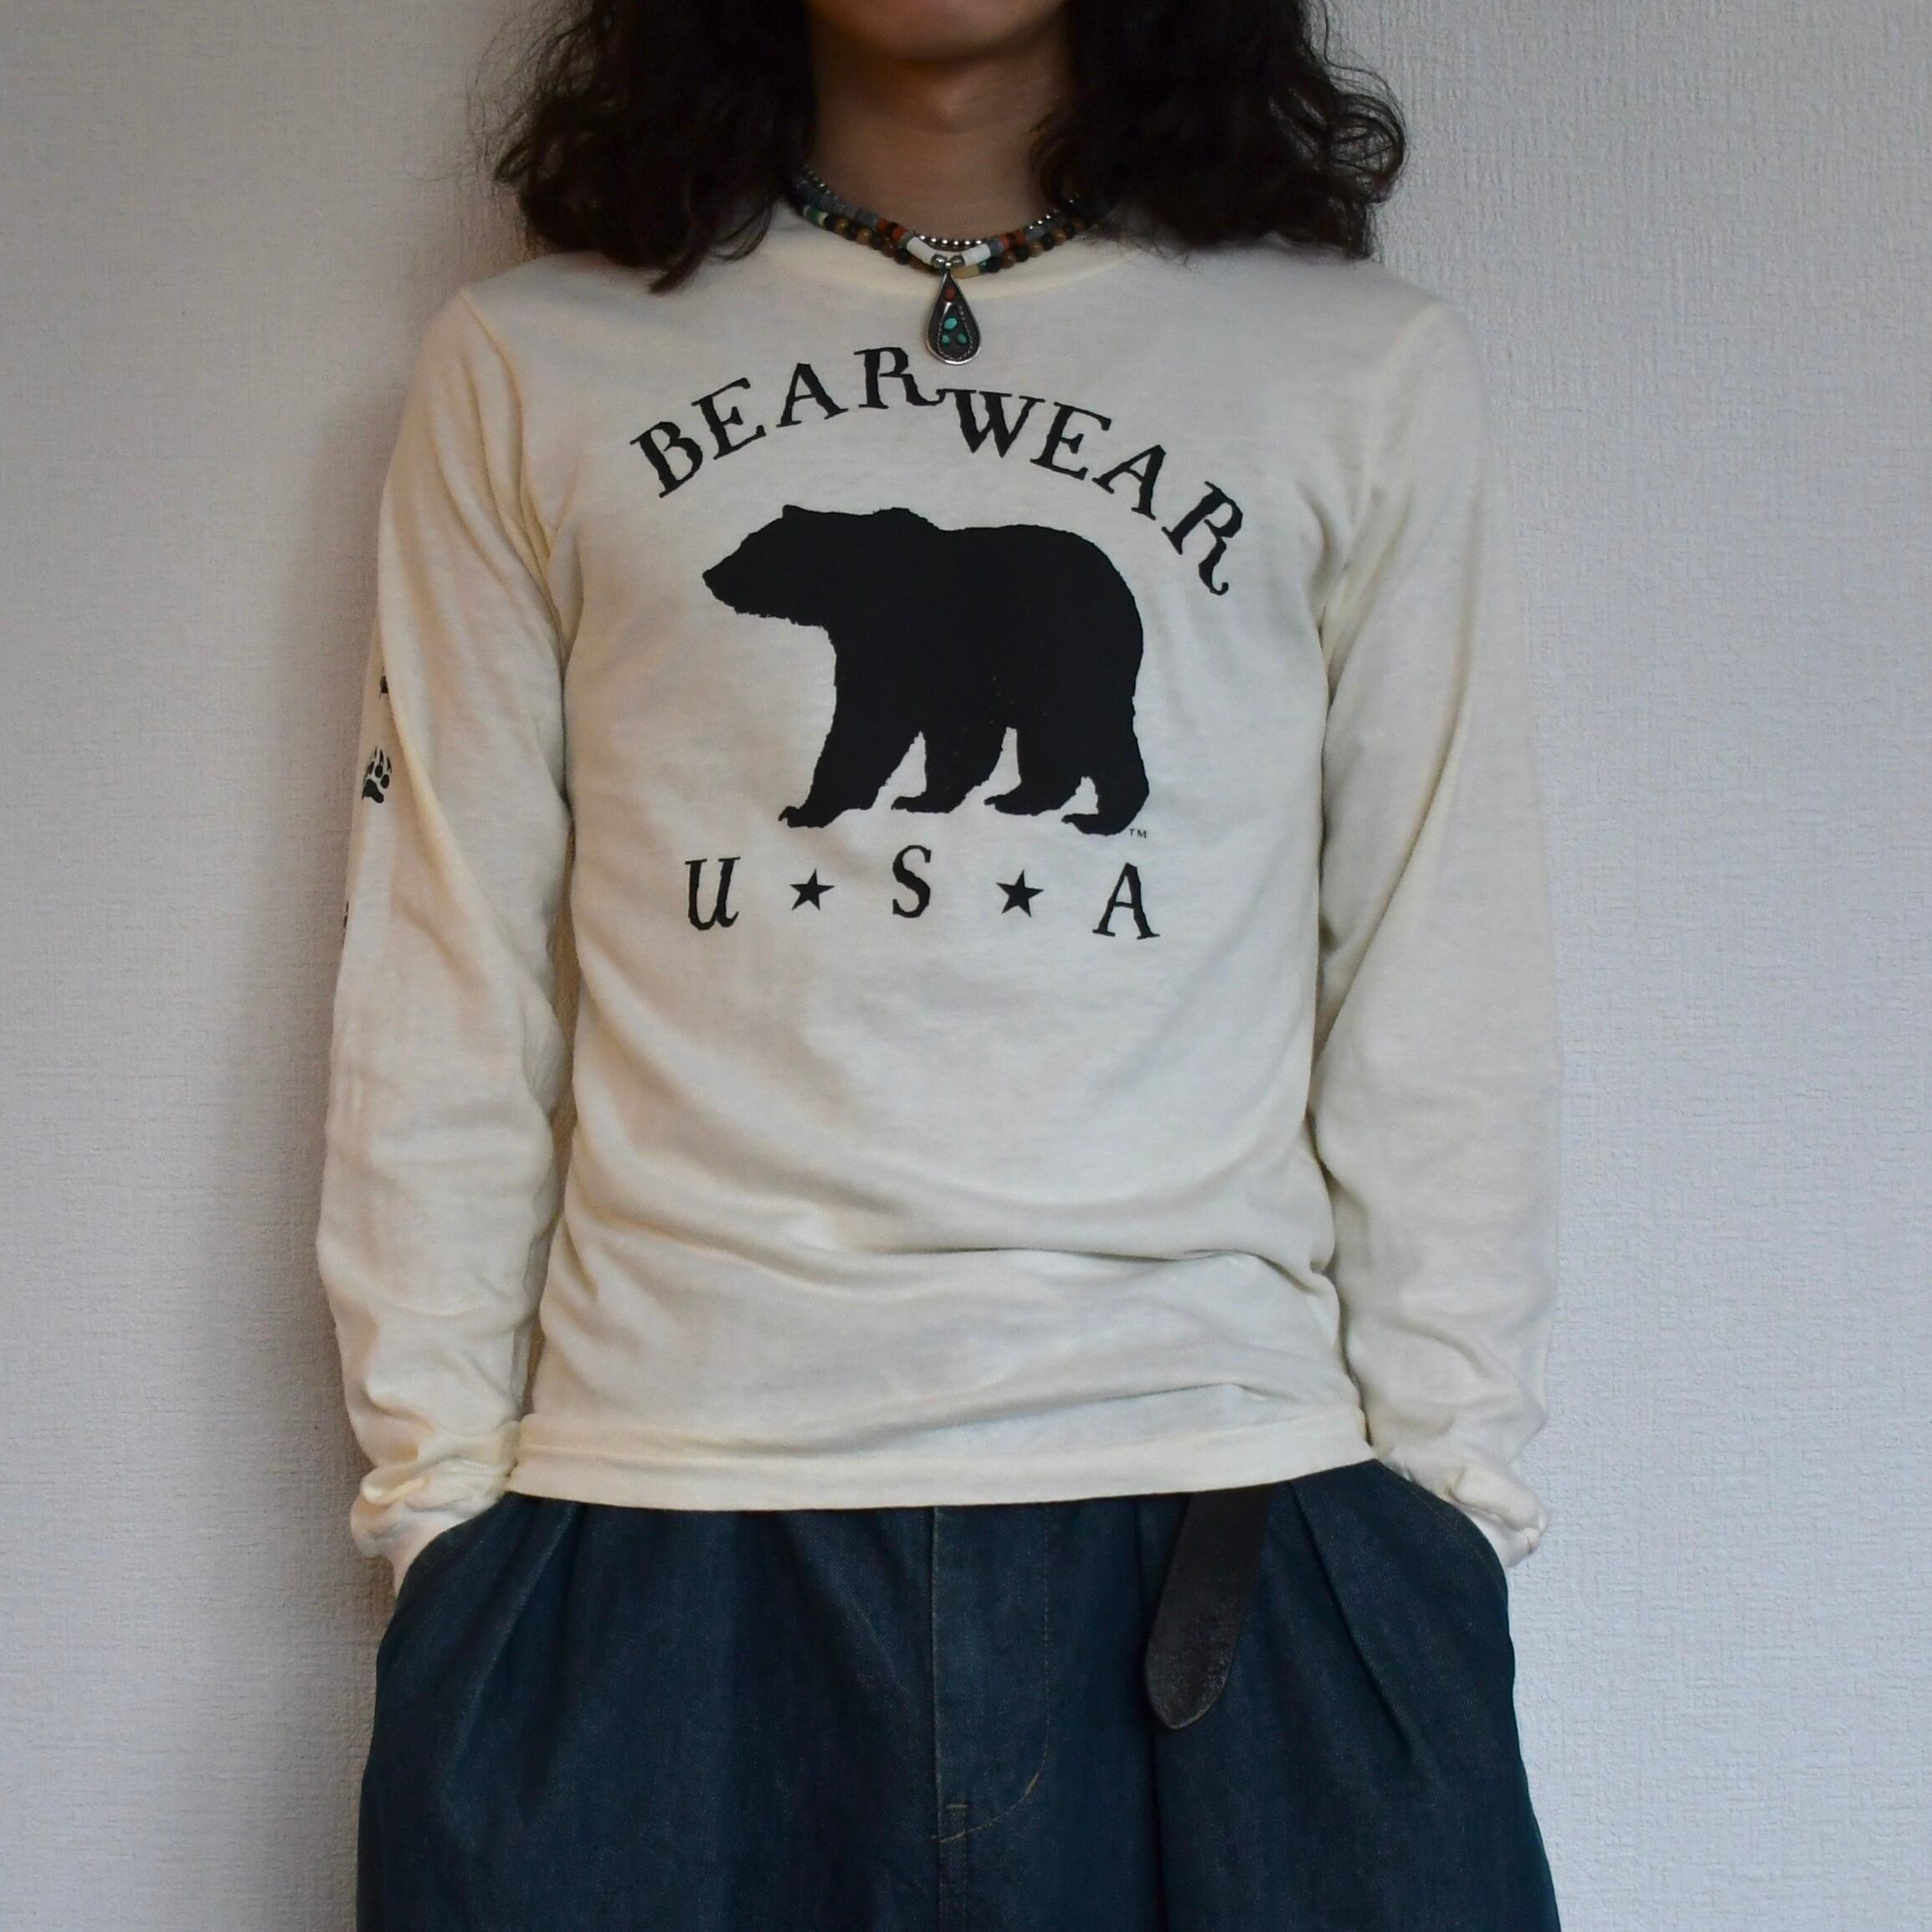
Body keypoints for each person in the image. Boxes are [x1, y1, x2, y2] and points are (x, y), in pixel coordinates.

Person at [316, 1, 1566, 1925]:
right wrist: (445, 1530)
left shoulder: (1352, 372)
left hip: (1231, 1520)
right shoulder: (529, 367)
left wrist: (1440, 1521)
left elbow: (1436, 959)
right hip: (656, 1529)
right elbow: (444, 975)